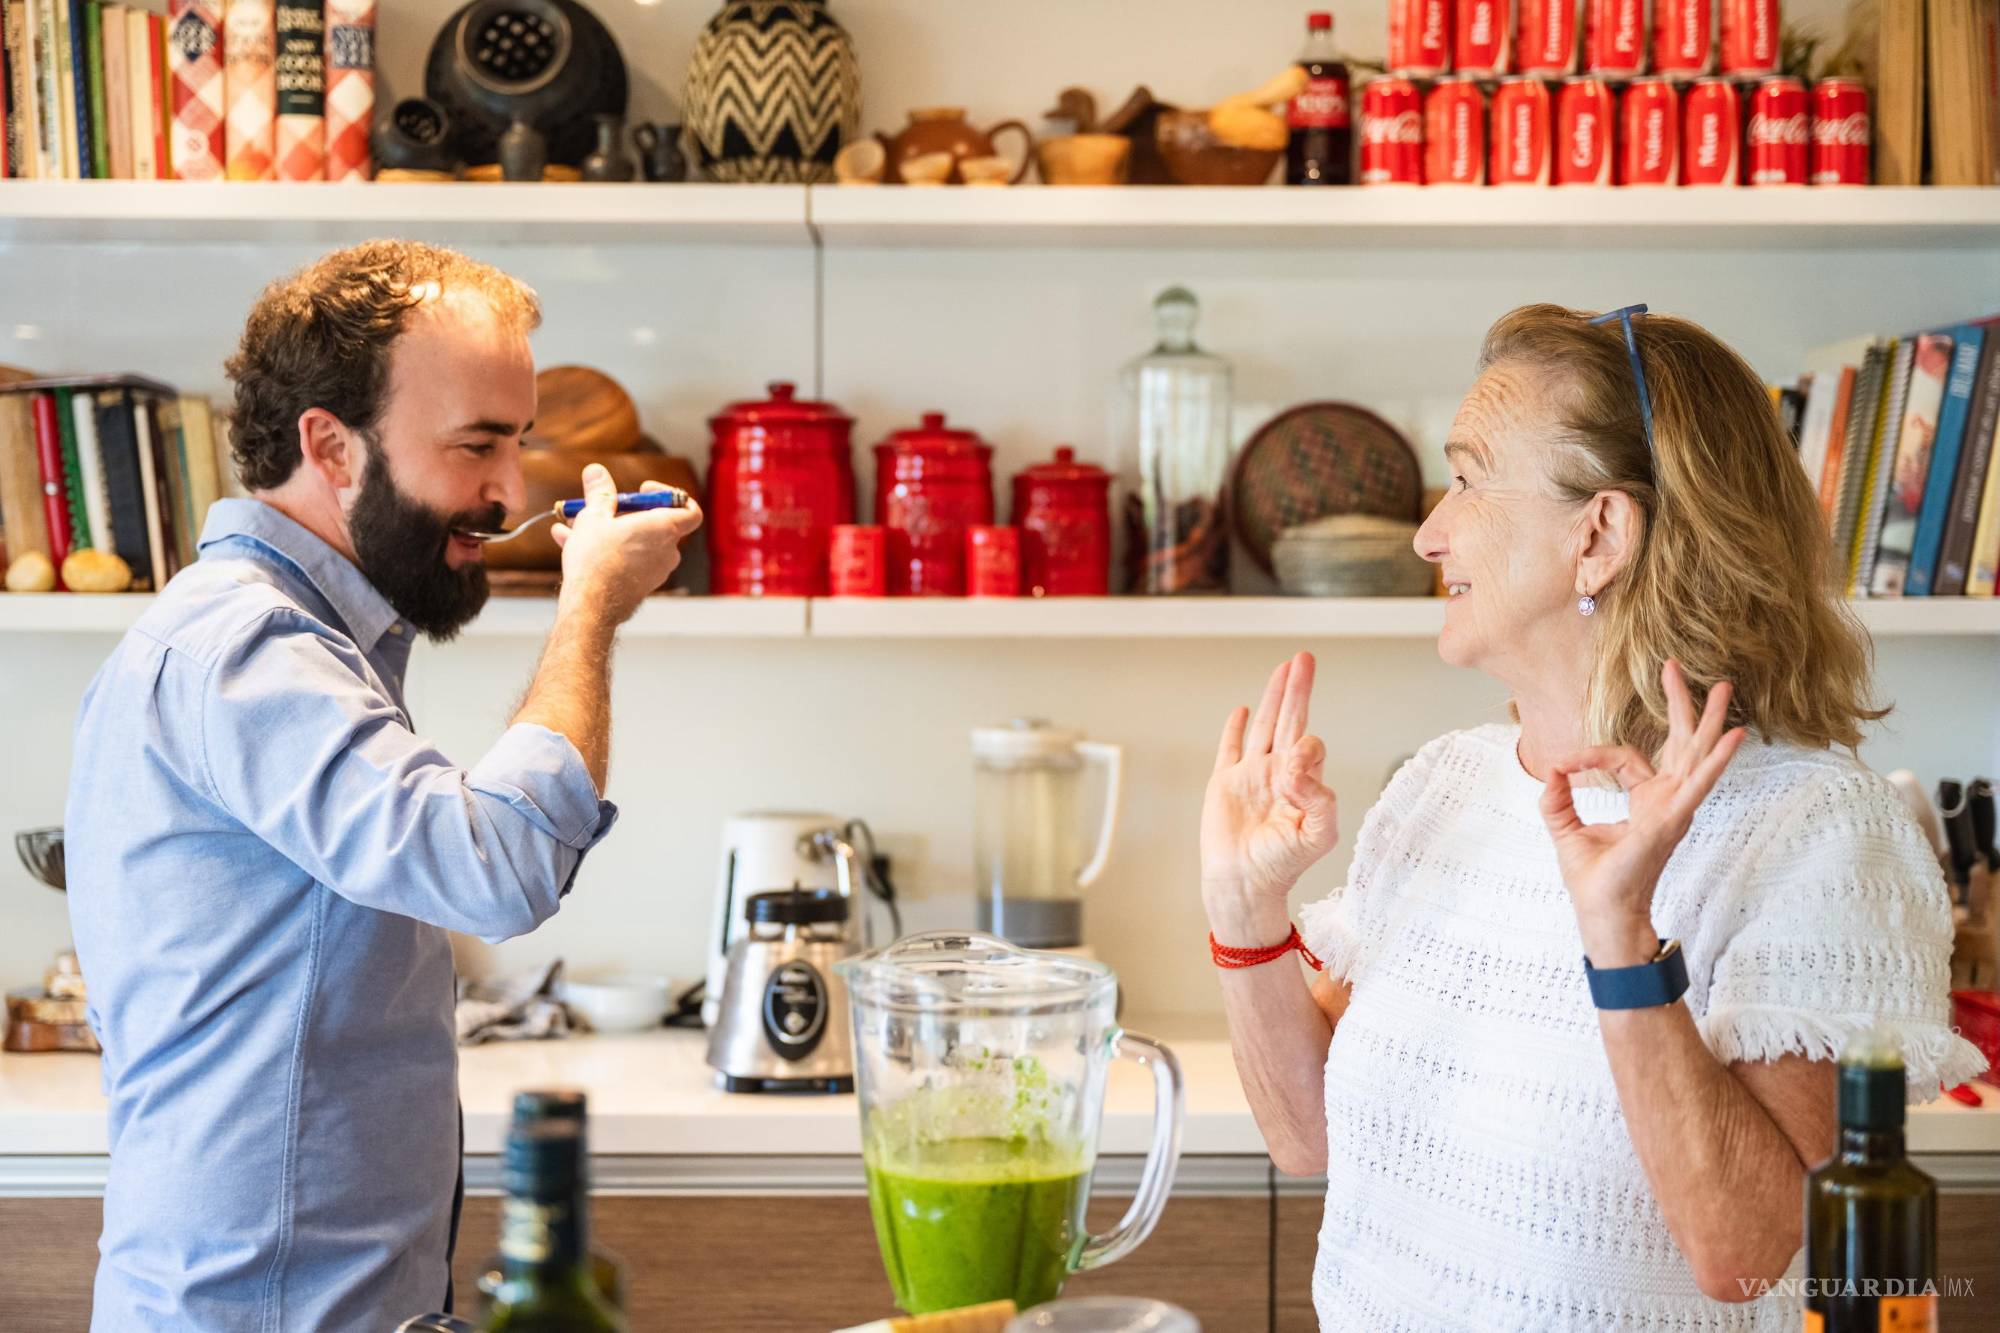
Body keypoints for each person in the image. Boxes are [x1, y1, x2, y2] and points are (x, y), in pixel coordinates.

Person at [1200, 303, 1984, 1330]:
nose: (1430, 532)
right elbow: (1306, 1140)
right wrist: (1244, 906)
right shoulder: (1443, 785)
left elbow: (1749, 1255)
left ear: (1599, 534)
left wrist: (1620, 940)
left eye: (1470, 476)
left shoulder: (1817, 832)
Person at [64, 241, 701, 1330]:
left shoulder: (297, 640)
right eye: (477, 445)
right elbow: (493, 867)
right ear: (331, 445)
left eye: (521, 442)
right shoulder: (249, 649)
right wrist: (588, 607)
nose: (509, 491)